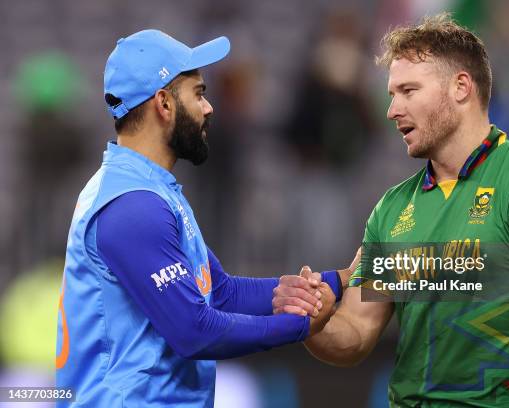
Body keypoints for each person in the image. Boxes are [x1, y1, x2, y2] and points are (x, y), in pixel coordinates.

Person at [274, 14, 509, 407]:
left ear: (461, 87)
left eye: (408, 90)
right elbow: (355, 331)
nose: (392, 110)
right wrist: (314, 323)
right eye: (391, 94)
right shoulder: (392, 208)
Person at [55, 29, 342, 407]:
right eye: (199, 93)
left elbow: (219, 292)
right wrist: (299, 326)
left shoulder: (150, 191)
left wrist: (323, 284)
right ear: (164, 103)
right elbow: (194, 330)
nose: (208, 108)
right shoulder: (132, 206)